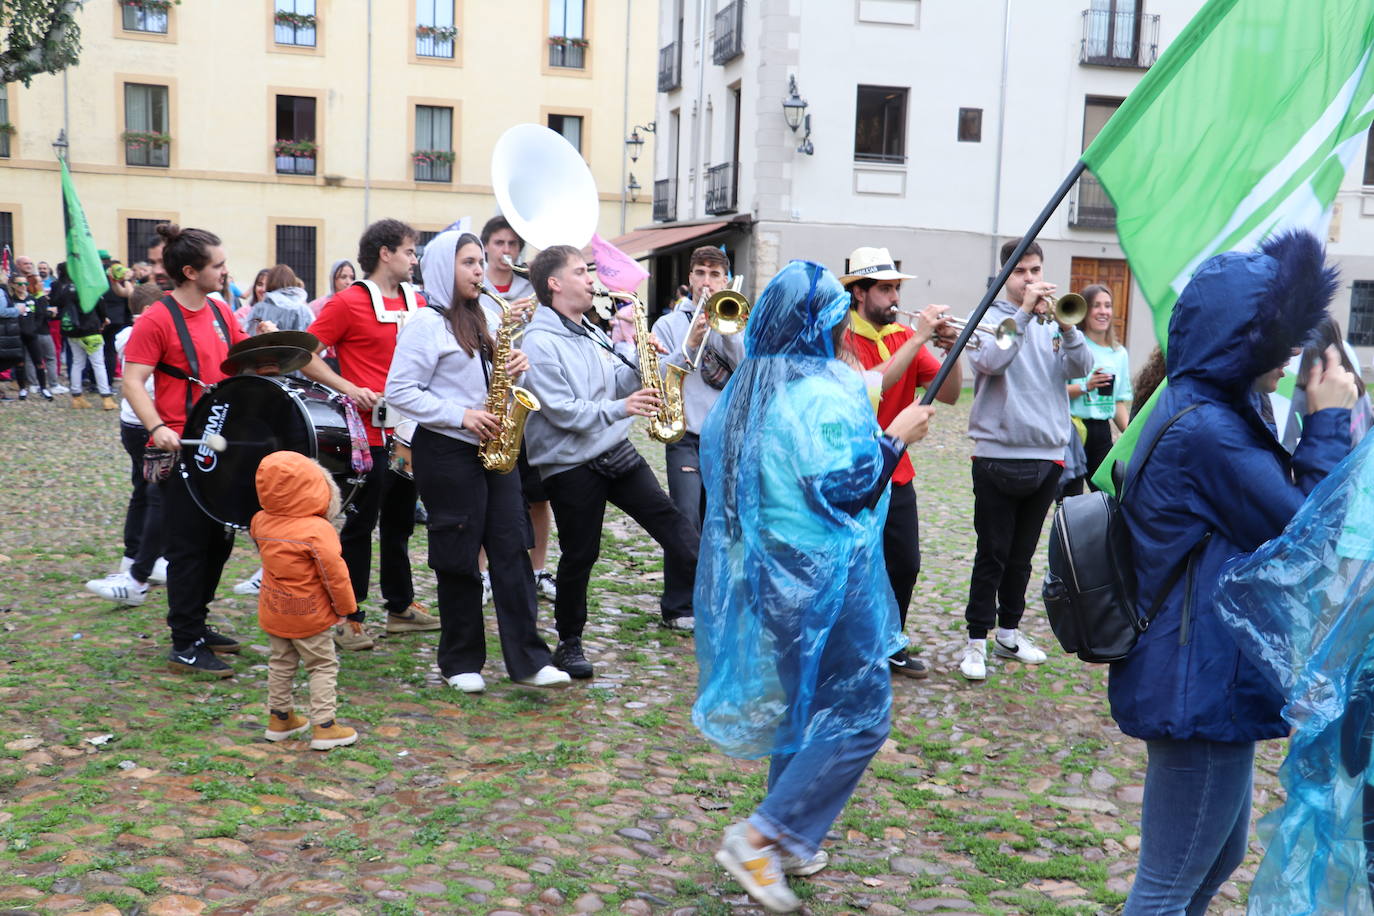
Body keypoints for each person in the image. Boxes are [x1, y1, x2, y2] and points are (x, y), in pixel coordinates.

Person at [1108, 230, 1356, 915]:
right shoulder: (1207, 430)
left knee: (1212, 857)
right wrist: (1328, 422)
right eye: (1280, 340)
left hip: (1206, 673)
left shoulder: (1213, 408)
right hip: (1197, 685)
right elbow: (1306, 535)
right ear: (1242, 342)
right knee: (1168, 880)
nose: (1288, 357)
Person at [693, 260, 934, 913]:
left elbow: (861, 388)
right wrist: (895, 438)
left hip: (771, 572)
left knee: (805, 704)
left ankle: (791, 837)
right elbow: (846, 487)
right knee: (860, 714)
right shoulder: (819, 394)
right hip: (820, 577)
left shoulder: (755, 387)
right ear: (827, 324)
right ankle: (764, 835)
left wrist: (909, 355)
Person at [385, 229, 570, 692]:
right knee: (459, 555)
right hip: (447, 451)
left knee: (511, 548)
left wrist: (508, 370)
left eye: (478, 262)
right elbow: (399, 392)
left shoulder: (487, 314)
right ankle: (460, 660)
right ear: (444, 268)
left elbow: (480, 376)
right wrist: (460, 415)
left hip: (494, 446)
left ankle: (529, 659)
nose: (479, 270)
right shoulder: (425, 326)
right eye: (468, 263)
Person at [519, 245, 700, 679]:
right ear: (554, 284)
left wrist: (645, 358)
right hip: (568, 463)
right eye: (582, 272)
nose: (591, 280)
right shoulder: (539, 342)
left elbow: (617, 383)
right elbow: (562, 411)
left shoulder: (592, 331)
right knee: (581, 553)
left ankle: (731, 608)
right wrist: (623, 409)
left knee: (675, 526)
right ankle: (570, 642)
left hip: (613, 449)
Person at [957, 238, 1094, 681]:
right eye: (1021, 272)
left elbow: (1081, 368)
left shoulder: (1056, 322)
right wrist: (1022, 313)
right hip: (998, 453)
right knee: (991, 553)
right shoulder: (990, 319)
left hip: (1048, 455)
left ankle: (1009, 633)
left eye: (1035, 270)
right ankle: (976, 640)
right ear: (1005, 276)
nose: (1031, 279)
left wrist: (1068, 328)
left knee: (1021, 557)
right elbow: (993, 360)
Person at [300, 218, 438, 649]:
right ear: (385, 253)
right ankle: (348, 614)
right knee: (360, 526)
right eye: (410, 251)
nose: (414, 260)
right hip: (365, 437)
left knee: (400, 525)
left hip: (411, 434)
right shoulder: (348, 302)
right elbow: (304, 354)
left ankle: (400, 606)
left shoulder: (419, 301)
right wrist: (348, 387)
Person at [121, 224, 251, 677]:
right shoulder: (158, 317)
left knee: (220, 540)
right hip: (179, 444)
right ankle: (184, 642)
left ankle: (198, 622)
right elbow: (133, 380)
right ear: (191, 271)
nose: (225, 271)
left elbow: (238, 361)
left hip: (221, 442)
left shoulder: (219, 310)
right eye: (218, 265)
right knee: (188, 545)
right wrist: (156, 426)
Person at [839, 246, 961, 679]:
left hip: (898, 470)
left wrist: (953, 349)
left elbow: (948, 394)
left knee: (905, 564)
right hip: (854, 469)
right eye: (885, 288)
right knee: (854, 567)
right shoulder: (841, 336)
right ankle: (852, 645)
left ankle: (891, 642)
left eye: (896, 287)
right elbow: (872, 384)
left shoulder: (901, 336)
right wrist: (918, 338)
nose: (894, 297)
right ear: (859, 293)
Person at [251, 450, 360, 750]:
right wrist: (346, 609)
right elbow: (334, 576)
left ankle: (280, 718)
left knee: (281, 662)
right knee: (322, 665)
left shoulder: (260, 521)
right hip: (309, 613)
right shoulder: (317, 530)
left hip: (275, 609)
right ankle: (325, 725)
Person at [477, 215, 556, 602]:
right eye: (498, 243)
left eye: (512, 244)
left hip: (528, 399)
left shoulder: (531, 289)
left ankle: (538, 569)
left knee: (537, 494)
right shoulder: (477, 287)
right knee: (486, 492)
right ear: (486, 246)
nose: (506, 251)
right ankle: (482, 573)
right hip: (489, 400)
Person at [649, 246, 746, 535]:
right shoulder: (667, 324)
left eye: (715, 275)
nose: (707, 282)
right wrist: (689, 344)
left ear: (725, 282)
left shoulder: (738, 320)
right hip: (686, 437)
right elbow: (660, 377)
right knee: (685, 519)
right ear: (690, 278)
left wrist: (727, 332)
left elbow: (745, 370)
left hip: (725, 438)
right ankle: (682, 582)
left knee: (721, 524)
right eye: (701, 273)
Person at [84, 282, 169, 606]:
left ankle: (134, 558)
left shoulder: (125, 335)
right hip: (148, 423)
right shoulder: (141, 336)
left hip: (132, 423)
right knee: (154, 492)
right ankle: (148, 562)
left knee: (143, 491)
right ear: (149, 312)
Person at [1063, 285, 1132, 494]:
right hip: (1073, 431)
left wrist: (1132, 436)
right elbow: (1056, 391)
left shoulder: (1118, 353)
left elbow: (1118, 402)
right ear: (1084, 311)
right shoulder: (1073, 345)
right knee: (1068, 501)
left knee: (1109, 496)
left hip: (1101, 433)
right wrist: (1086, 386)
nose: (1103, 311)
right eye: (1096, 306)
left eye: (1108, 306)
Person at [56, 262, 115, 410]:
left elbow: (57, 303)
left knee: (77, 363)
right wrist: (103, 319)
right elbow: (100, 307)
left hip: (73, 331)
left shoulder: (66, 288)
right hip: (91, 331)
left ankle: (77, 397)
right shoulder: (89, 287)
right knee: (98, 364)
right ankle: (106, 398)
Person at [8, 278, 53, 400]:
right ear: (14, 285)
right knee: (20, 363)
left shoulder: (32, 299)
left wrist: (35, 328)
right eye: (20, 284)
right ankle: (22, 388)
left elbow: (40, 315)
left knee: (38, 362)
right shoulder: (11, 300)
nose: (23, 286)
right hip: (18, 336)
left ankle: (43, 388)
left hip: (32, 335)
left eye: (25, 283)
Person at [247, 265, 315, 335]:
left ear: (270, 282)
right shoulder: (303, 310)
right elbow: (313, 337)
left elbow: (248, 335)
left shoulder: (259, 308)